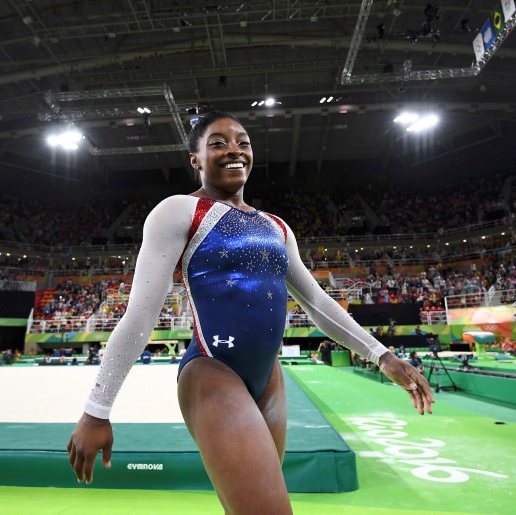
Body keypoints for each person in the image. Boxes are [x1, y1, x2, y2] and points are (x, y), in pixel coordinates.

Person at [66, 111, 433, 513]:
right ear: (196, 159)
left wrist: (382, 355)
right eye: (218, 143)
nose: (233, 151)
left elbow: (317, 302)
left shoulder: (276, 226)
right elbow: (140, 316)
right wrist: (96, 411)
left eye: (242, 142)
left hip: (268, 378)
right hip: (213, 372)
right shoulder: (179, 212)